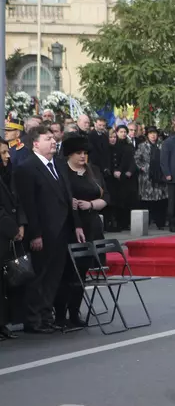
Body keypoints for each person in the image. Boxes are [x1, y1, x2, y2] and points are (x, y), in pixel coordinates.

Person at [15, 126, 85, 334]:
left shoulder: (59, 165)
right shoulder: (27, 168)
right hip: (42, 232)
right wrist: (35, 234)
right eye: (48, 139)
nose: (53, 141)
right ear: (35, 144)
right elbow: (28, 205)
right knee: (38, 276)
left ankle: (47, 315)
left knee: (54, 276)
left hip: (62, 230)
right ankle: (33, 319)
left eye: (53, 138)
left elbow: (68, 198)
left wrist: (76, 224)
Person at [61, 135, 109, 328]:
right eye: (78, 153)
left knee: (82, 271)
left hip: (91, 223)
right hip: (71, 224)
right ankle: (60, 312)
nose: (83, 156)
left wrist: (91, 204)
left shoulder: (93, 170)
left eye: (85, 153)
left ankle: (74, 311)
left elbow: (106, 196)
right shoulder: (63, 171)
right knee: (67, 271)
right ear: (69, 154)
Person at [0, 138, 26, 339]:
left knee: (6, 282)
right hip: (4, 232)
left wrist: (21, 224)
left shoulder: (9, 174)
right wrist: (12, 229)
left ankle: (4, 322)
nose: (7, 156)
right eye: (2, 152)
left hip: (9, 235)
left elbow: (17, 200)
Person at [135, 127, 168, 230]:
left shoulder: (162, 145)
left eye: (154, 133)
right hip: (147, 177)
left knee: (160, 200)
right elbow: (137, 159)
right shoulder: (142, 146)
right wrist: (144, 168)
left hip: (160, 176)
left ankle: (160, 222)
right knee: (147, 201)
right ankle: (147, 222)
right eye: (151, 133)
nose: (153, 136)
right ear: (147, 135)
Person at [109, 125, 137, 231]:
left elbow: (134, 160)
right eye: (121, 132)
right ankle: (118, 222)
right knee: (118, 200)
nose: (123, 134)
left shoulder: (129, 145)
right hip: (117, 177)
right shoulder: (114, 146)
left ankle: (127, 222)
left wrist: (130, 171)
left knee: (129, 200)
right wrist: (116, 171)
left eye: (125, 132)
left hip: (129, 176)